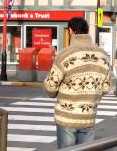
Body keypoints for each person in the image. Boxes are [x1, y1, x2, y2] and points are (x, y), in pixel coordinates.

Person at [43, 17, 111, 149]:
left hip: (67, 117)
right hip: (88, 116)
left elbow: (50, 86)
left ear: (70, 31)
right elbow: (106, 87)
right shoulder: (102, 55)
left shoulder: (65, 54)